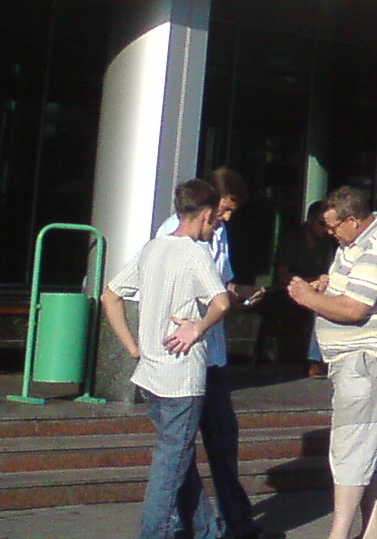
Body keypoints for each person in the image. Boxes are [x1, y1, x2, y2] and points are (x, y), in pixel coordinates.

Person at [100, 178, 235, 539]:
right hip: (181, 379)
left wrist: (132, 347)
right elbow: (221, 301)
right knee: (170, 466)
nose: (217, 227)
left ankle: (208, 530)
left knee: (178, 460)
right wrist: (198, 327)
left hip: (149, 375)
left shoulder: (153, 248)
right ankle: (154, 533)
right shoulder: (195, 253)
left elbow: (109, 296)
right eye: (215, 220)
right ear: (205, 214)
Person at [286, 186, 377, 539]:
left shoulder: (376, 248)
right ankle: (372, 529)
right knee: (366, 444)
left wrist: (309, 298)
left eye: (333, 225)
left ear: (354, 220)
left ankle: (339, 533)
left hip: (367, 359)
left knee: (350, 446)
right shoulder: (353, 244)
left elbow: (355, 309)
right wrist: (327, 286)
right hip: (357, 358)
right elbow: (351, 292)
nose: (330, 232)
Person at [154, 168, 265, 539]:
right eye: (225, 209)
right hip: (183, 355)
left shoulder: (219, 234)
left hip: (212, 355)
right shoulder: (175, 236)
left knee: (222, 439)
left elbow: (223, 285)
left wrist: (241, 293)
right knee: (179, 450)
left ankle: (235, 522)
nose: (226, 218)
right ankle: (190, 525)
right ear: (208, 204)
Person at [276, 199, 337, 375]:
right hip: (289, 291)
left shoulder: (326, 243)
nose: (325, 229)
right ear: (309, 220)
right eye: (321, 224)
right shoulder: (292, 239)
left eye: (327, 225)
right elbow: (282, 275)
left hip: (316, 291)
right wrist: (307, 283)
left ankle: (323, 357)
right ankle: (313, 359)